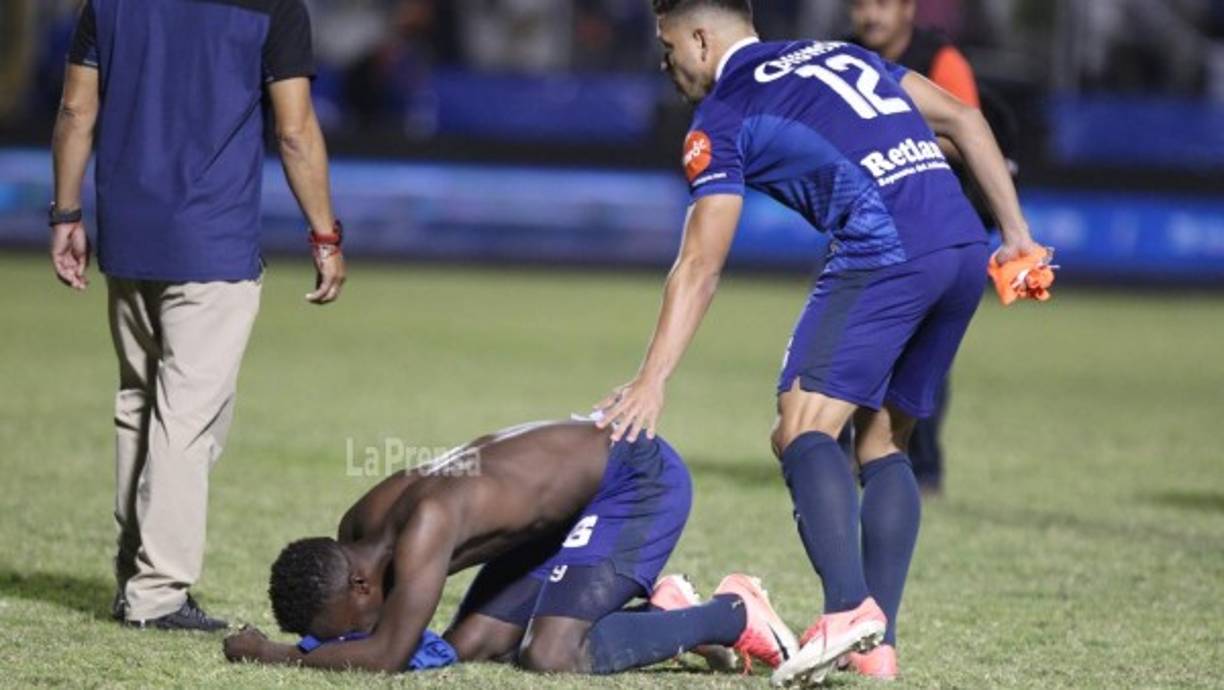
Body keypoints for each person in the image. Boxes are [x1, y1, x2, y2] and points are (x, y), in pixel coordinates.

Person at [595, 0, 1039, 684]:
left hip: (885, 248)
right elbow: (964, 119)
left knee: (800, 425)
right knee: (884, 443)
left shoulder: (725, 111)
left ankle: (845, 611)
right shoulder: (843, 55)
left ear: (702, 38)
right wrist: (1016, 238)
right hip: (959, 245)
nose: (666, 64)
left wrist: (653, 378)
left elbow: (700, 264)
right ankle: (876, 647)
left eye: (668, 46)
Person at [50, 0, 347, 630]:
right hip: (211, 242)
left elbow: (77, 109)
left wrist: (66, 213)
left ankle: (135, 575)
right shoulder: (274, 8)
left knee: (139, 403)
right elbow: (294, 130)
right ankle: (157, 595)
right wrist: (325, 235)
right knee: (187, 419)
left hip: (130, 233)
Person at [221, 419, 798, 674]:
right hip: (562, 507)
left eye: (348, 625)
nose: (352, 635)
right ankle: (662, 611)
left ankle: (731, 613)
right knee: (468, 647)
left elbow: (387, 656)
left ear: (360, 584)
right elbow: (389, 639)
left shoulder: (424, 526)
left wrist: (272, 653)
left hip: (636, 477)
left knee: (550, 655)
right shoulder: (360, 526)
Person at [848, 0, 991, 498]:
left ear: (908, 8)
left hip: (934, 227)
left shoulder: (940, 59)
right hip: (867, 229)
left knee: (925, 355)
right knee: (855, 347)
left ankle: (924, 466)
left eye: (882, 3)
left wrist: (894, 136)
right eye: (860, 4)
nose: (870, 15)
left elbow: (967, 132)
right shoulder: (845, 58)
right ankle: (851, 456)